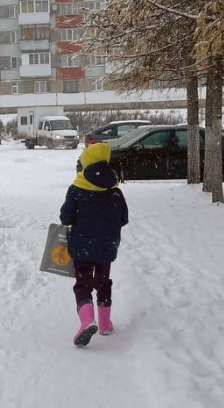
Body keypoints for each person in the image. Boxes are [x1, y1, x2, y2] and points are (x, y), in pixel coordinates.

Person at [59, 142, 128, 347]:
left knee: (83, 284)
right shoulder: (115, 191)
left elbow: (65, 217)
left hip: (81, 246)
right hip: (106, 247)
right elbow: (123, 218)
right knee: (103, 281)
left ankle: (87, 320)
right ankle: (105, 323)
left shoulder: (77, 189)